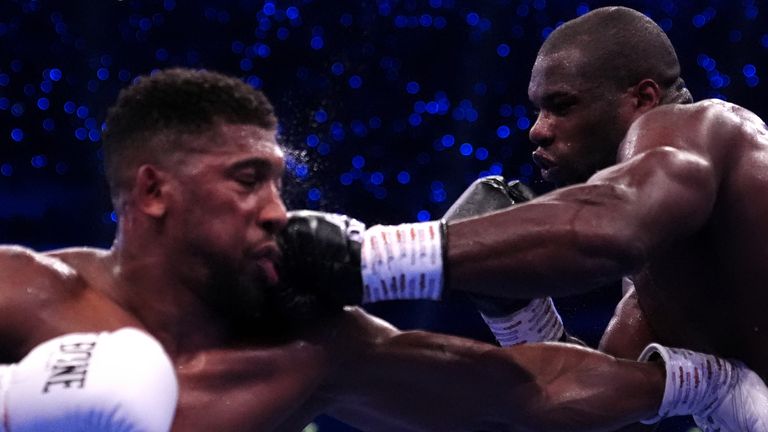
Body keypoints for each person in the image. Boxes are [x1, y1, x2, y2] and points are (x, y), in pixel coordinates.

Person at [0, 67, 762, 431]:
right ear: (155, 193)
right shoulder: (27, 292)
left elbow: (525, 391)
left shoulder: (313, 348)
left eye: (276, 183)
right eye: (245, 182)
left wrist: (700, 385)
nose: (276, 212)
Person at [277, 6, 768, 430]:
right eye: (538, 110)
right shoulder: (653, 291)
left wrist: (365, 259)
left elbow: (613, 226)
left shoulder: (704, 126)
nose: (538, 131)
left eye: (562, 106)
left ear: (641, 99)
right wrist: (518, 312)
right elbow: (594, 407)